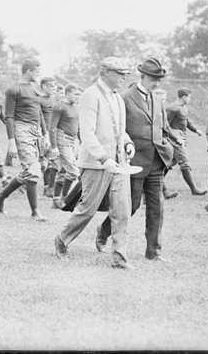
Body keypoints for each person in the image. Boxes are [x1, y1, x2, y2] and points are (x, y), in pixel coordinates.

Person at [97, 57, 182, 261]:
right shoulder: (124, 98)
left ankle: (153, 252)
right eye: (154, 78)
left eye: (159, 79)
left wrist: (172, 138)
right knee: (131, 206)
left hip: (156, 162)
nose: (157, 83)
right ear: (142, 76)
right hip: (134, 163)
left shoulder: (158, 99)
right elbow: (117, 129)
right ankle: (103, 232)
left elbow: (162, 126)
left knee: (157, 208)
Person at [53, 57, 134, 269]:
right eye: (119, 73)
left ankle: (119, 257)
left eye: (125, 74)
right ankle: (62, 240)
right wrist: (103, 158)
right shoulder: (90, 95)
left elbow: (120, 130)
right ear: (105, 72)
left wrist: (127, 143)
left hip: (119, 164)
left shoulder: (118, 98)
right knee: (87, 209)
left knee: (122, 211)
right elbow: (86, 133)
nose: (123, 78)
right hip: (95, 164)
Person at [0, 59, 52, 222]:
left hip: (36, 130)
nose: (39, 75)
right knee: (33, 171)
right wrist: (11, 141)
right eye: (37, 71)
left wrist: (45, 134)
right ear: (28, 71)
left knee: (32, 169)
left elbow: (39, 112)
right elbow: (9, 116)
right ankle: (35, 212)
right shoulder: (14, 89)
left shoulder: (36, 89)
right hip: (21, 129)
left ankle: (1, 196)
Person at [166, 88, 206, 195]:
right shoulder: (172, 108)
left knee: (168, 163)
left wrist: (195, 130)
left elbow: (186, 121)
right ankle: (194, 189)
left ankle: (158, 187)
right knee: (184, 163)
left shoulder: (184, 108)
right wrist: (174, 137)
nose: (190, 99)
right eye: (189, 97)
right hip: (175, 139)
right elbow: (165, 125)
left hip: (181, 138)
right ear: (184, 96)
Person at [51, 84, 81, 208]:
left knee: (64, 170)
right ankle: (66, 199)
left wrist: (81, 141)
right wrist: (54, 146)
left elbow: (78, 126)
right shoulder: (59, 106)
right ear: (67, 93)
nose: (77, 96)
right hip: (62, 138)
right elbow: (52, 127)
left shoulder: (77, 107)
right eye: (75, 94)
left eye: (78, 94)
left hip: (73, 141)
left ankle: (56, 200)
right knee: (74, 171)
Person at [153, 88, 179, 200]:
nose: (164, 101)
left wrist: (175, 138)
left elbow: (166, 126)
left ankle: (163, 191)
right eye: (162, 99)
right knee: (154, 169)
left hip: (161, 141)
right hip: (151, 142)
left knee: (162, 166)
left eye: (165, 99)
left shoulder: (162, 109)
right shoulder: (151, 108)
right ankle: (161, 192)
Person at [39, 77, 60, 198]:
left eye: (54, 86)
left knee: (53, 161)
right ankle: (46, 186)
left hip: (53, 133)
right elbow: (39, 118)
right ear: (43, 86)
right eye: (51, 86)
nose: (53, 88)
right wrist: (44, 133)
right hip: (42, 134)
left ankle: (49, 188)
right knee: (43, 163)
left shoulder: (54, 99)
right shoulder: (39, 100)